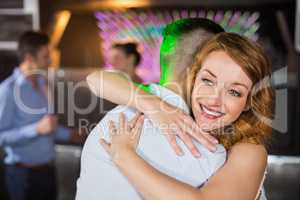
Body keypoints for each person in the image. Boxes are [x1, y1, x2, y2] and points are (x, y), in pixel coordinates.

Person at [100, 32, 274, 200]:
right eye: (208, 81)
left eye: (234, 92)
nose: (214, 100)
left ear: (249, 102)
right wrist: (154, 105)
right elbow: (97, 80)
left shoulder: (251, 151)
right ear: (193, 78)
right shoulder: (180, 115)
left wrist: (123, 155)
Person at [76, 18, 226, 200]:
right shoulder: (209, 150)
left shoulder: (111, 123)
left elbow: (96, 79)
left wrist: (154, 105)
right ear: (204, 64)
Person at [0, 31, 81, 200]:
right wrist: (36, 129)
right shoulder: (7, 90)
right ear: (29, 58)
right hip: (23, 176)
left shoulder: (44, 84)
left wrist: (71, 135)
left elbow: (48, 126)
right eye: (45, 56)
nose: (50, 61)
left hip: (48, 171)